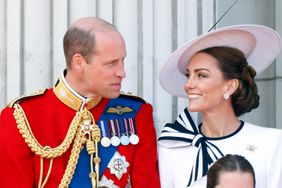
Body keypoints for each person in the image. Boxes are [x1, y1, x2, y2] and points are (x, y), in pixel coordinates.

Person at [0, 17, 160, 188]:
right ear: (79, 62)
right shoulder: (21, 117)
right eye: (111, 63)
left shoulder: (136, 113)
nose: (122, 72)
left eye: (122, 60)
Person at [157, 24, 282, 188]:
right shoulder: (170, 146)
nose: (188, 84)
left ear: (229, 87)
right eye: (189, 75)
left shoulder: (272, 143)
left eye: (201, 75)